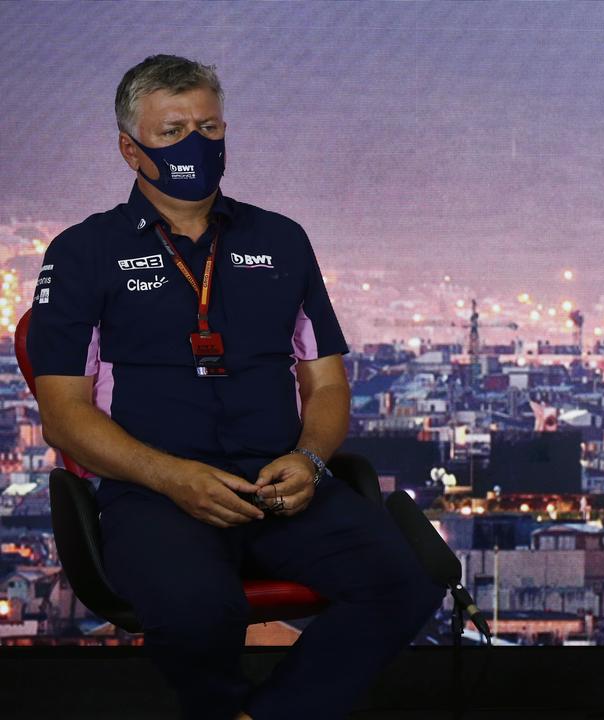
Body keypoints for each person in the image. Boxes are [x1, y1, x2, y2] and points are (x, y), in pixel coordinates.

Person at [28, 55, 442, 720]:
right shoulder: (82, 253)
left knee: (407, 581)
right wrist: (171, 478)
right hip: (156, 494)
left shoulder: (281, 241)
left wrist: (309, 461)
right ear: (129, 149)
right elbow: (62, 413)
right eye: (173, 130)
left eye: (210, 125)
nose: (198, 142)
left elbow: (328, 384)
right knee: (197, 612)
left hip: (281, 484)